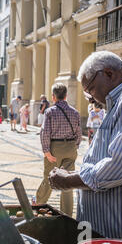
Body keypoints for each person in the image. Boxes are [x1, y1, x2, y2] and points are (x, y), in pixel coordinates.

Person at [48, 51, 122, 244]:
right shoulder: (120, 103)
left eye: (90, 89)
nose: (90, 98)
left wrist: (70, 180)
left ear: (108, 73)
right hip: (106, 236)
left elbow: (121, 167)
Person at [35, 83, 82, 217]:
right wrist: (74, 146)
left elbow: (45, 133)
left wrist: (46, 151)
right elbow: (79, 134)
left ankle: (38, 205)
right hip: (70, 148)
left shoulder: (50, 111)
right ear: (66, 96)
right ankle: (66, 214)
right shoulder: (75, 112)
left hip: (55, 148)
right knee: (67, 181)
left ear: (53, 97)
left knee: (49, 178)